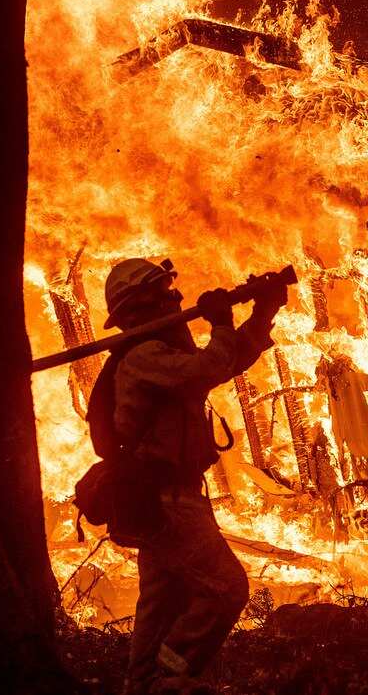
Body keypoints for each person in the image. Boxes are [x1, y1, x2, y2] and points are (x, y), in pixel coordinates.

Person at [86, 257, 286, 694]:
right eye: (165, 291)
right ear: (141, 307)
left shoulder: (158, 355)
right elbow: (207, 368)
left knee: (164, 602)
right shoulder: (143, 357)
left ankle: (143, 682)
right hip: (166, 501)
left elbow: (224, 361)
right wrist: (219, 322)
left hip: (164, 501)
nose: (176, 297)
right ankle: (168, 676)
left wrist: (262, 314)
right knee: (226, 589)